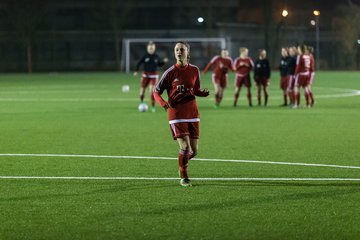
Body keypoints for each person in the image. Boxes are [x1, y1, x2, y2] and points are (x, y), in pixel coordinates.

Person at [153, 41, 210, 187]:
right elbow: (156, 92)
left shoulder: (195, 70)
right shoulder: (170, 72)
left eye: (182, 50)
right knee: (185, 147)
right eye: (177, 50)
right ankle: (184, 176)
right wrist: (163, 103)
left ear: (188, 53)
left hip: (192, 112)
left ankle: (182, 163)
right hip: (176, 113)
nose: (179, 52)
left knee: (194, 151)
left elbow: (195, 90)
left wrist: (202, 94)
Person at [134, 41, 168, 112]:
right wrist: (136, 71)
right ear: (147, 48)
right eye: (150, 48)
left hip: (154, 76)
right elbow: (139, 63)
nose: (151, 49)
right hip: (145, 75)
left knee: (152, 92)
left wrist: (164, 62)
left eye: (152, 48)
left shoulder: (156, 57)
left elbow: (159, 65)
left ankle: (153, 107)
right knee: (142, 92)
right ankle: (142, 102)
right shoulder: (145, 56)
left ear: (154, 48)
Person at [293, 44, 311, 108]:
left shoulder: (300, 56)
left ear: (301, 50)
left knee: (296, 88)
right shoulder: (308, 56)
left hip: (301, 74)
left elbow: (298, 66)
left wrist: (295, 74)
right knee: (305, 88)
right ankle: (308, 104)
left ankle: (295, 104)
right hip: (307, 74)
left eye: (298, 49)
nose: (298, 50)